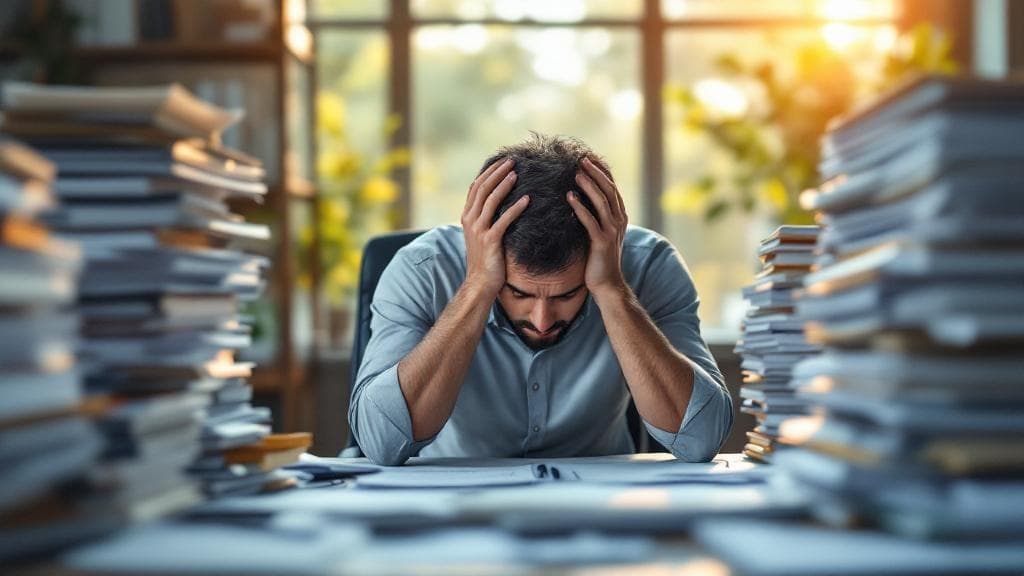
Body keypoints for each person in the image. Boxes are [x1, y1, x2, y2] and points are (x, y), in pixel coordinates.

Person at [349, 133, 733, 466]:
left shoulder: (648, 266)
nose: (543, 319)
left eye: (568, 294)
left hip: (600, 506)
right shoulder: (421, 269)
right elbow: (381, 442)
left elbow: (700, 438)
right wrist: (479, 285)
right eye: (519, 292)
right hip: (452, 506)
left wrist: (612, 290)